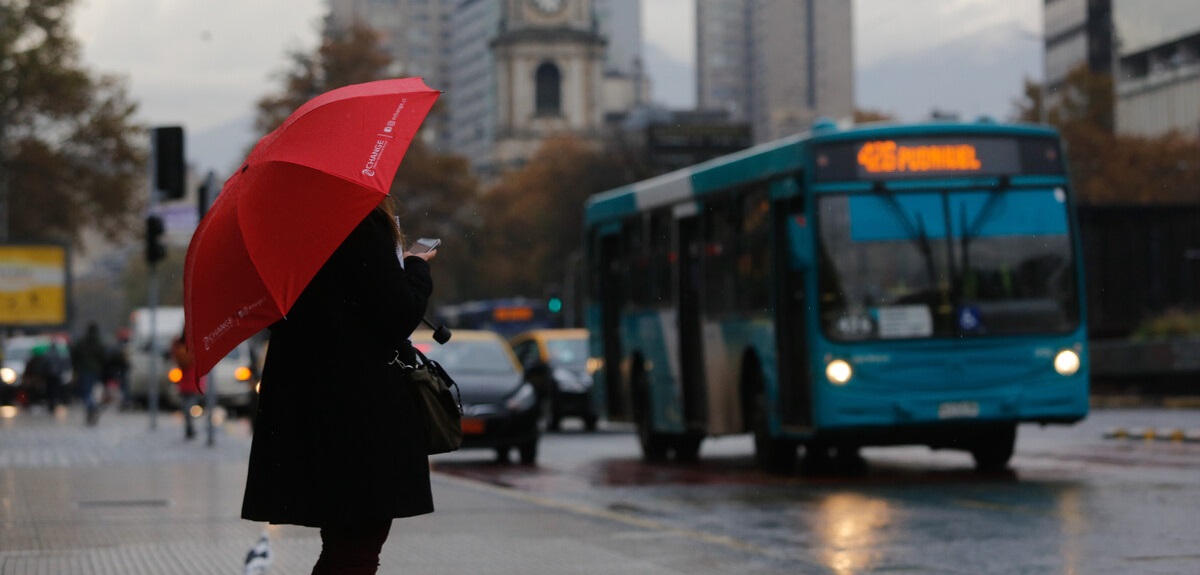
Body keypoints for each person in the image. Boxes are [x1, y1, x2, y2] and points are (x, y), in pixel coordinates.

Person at [241, 196, 436, 575]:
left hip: (311, 404)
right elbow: (398, 313)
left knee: (343, 542)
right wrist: (416, 266)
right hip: (358, 411)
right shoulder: (355, 220)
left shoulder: (287, 226)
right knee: (359, 545)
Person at [170, 329, 205, 440]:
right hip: (189, 380)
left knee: (187, 407)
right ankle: (190, 428)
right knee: (187, 407)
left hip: (190, 380)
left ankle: (190, 428)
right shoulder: (186, 344)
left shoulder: (183, 344)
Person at [71, 322, 108, 425]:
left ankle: (91, 407)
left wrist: (76, 368)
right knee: (94, 391)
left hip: (84, 370)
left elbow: (74, 355)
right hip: (96, 370)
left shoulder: (82, 342)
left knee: (86, 392)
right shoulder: (98, 342)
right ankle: (93, 407)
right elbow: (104, 356)